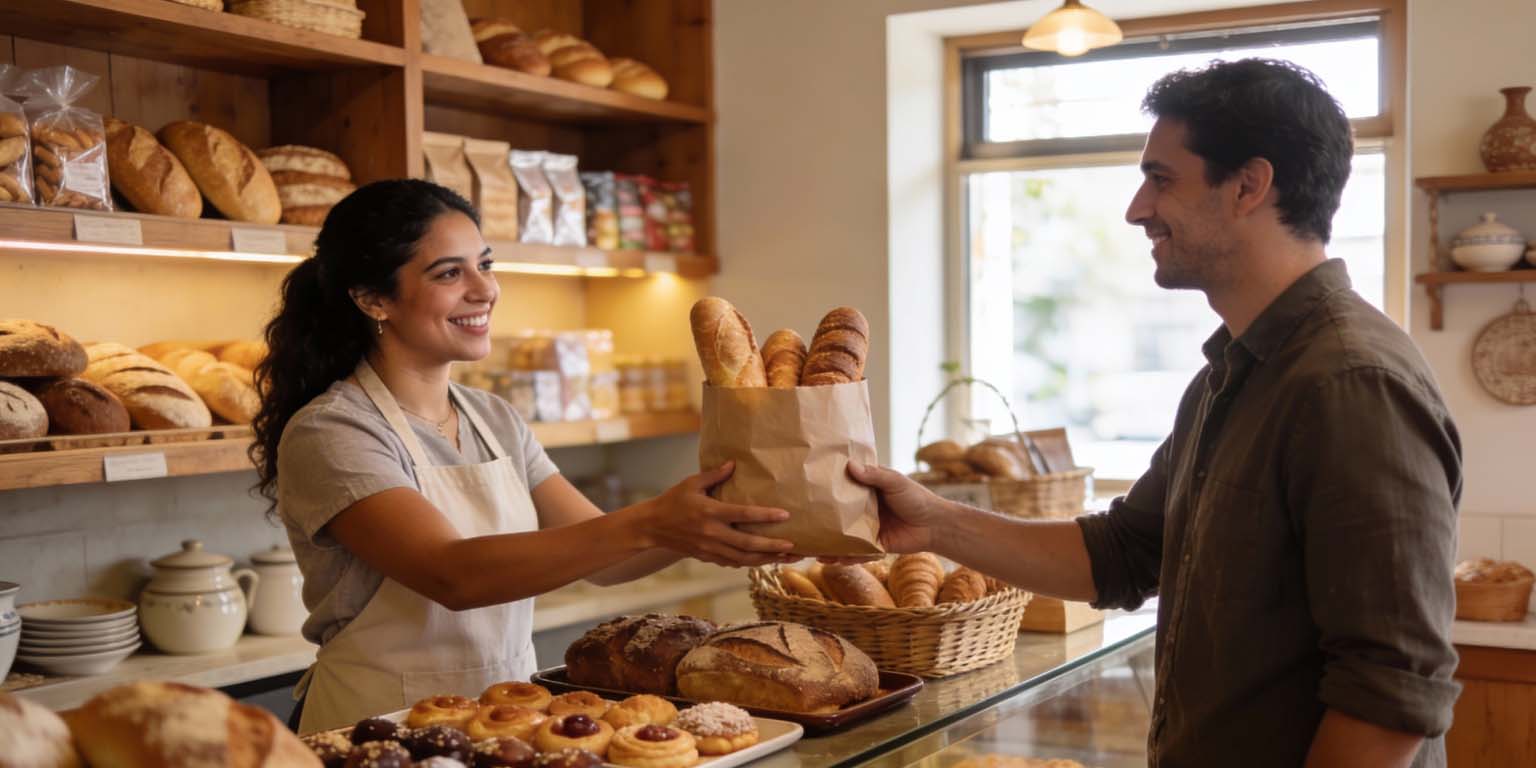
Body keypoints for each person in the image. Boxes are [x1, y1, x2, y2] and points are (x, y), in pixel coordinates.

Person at [848, 60, 1461, 767]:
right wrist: (932, 521)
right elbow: (1124, 554)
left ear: (1248, 186)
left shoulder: (1350, 382)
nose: (1138, 208)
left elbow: (1391, 690)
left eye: (1161, 178)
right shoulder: (1230, 376)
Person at [250, 179, 797, 734]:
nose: (484, 289)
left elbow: (611, 557)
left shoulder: (493, 418)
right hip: (378, 729)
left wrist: (716, 517)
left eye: (485, 264)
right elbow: (452, 575)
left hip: (506, 719)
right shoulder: (333, 430)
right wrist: (658, 521)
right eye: (449, 273)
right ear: (373, 299)